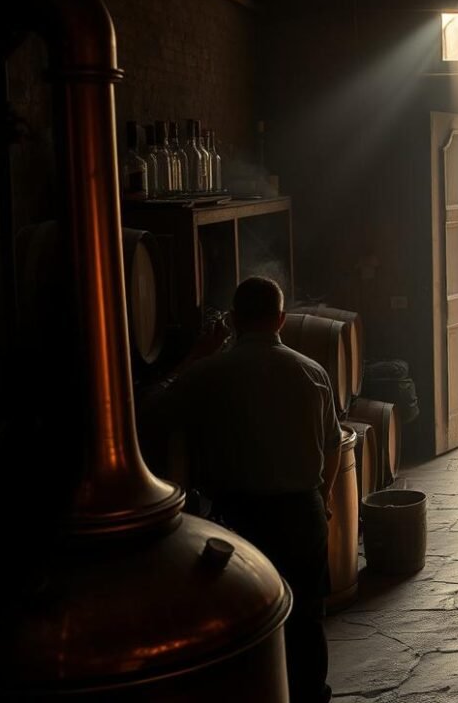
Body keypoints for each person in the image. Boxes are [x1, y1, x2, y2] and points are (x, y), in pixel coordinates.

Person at [153, 276, 341, 703]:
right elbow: (333, 446)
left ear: (234, 320)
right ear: (281, 319)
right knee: (307, 620)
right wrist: (324, 497)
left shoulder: (209, 374)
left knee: (245, 623)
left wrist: (193, 357)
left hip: (239, 521)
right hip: (302, 513)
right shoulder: (312, 372)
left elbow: (153, 413)